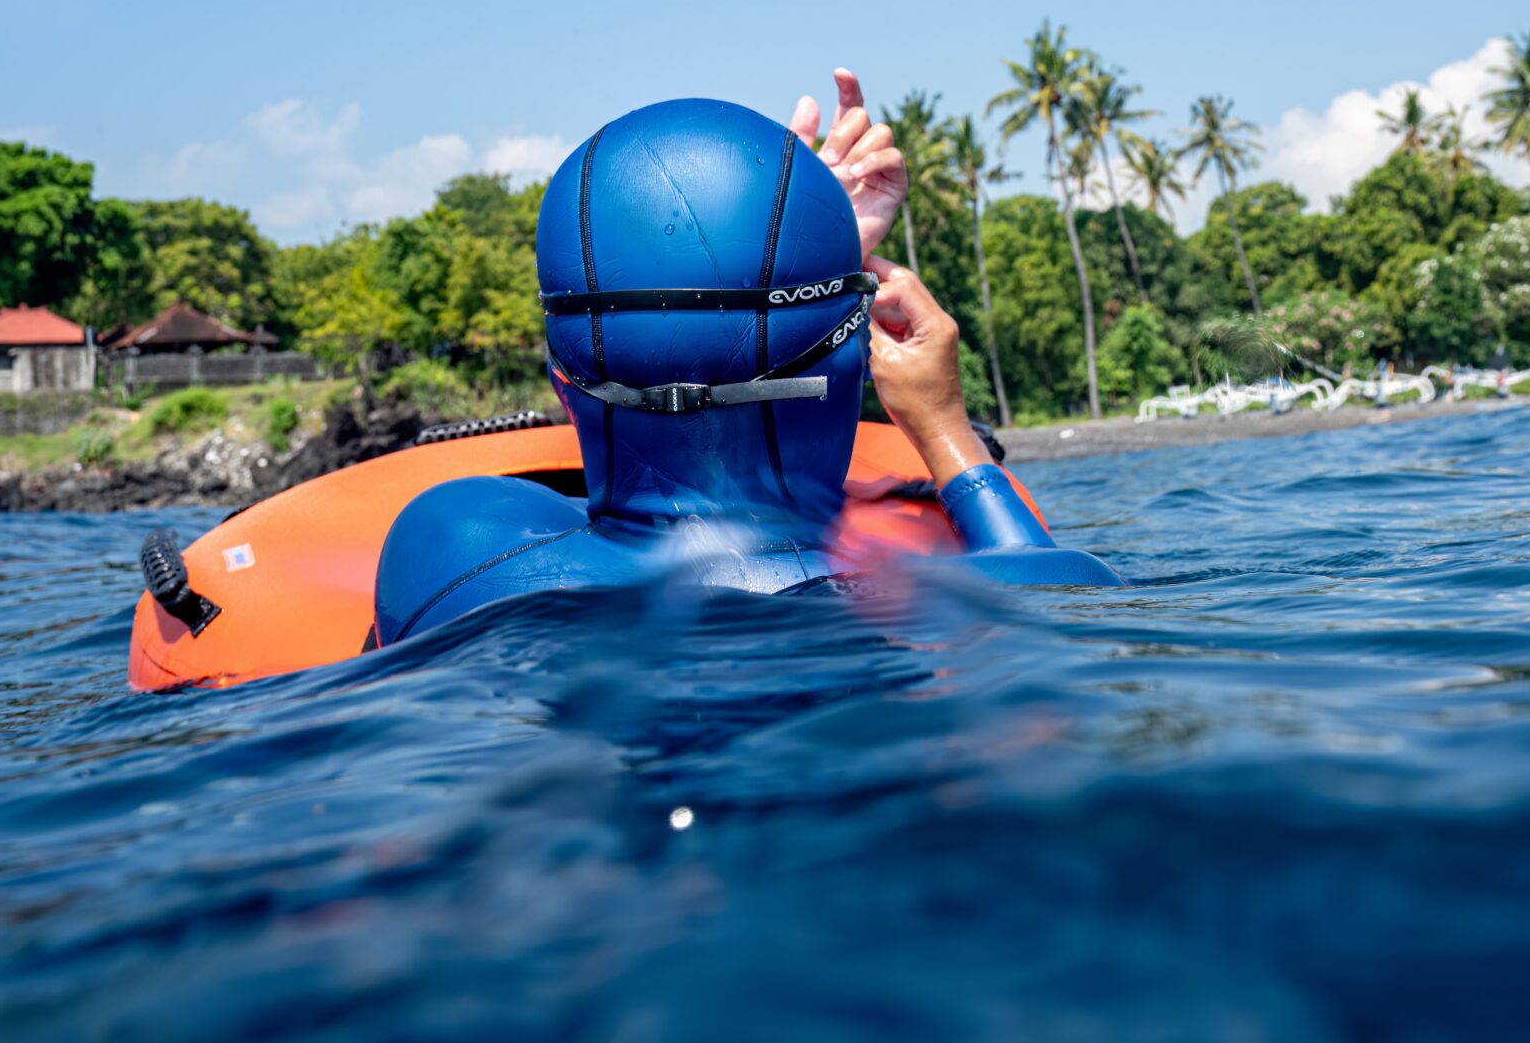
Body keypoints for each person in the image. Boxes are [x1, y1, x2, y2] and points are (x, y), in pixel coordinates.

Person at [370, 74, 1118, 646]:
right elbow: (1045, 587)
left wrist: (775, 274)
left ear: (561, 379)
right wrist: (943, 424)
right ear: (860, 366)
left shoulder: (452, 546)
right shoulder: (993, 591)